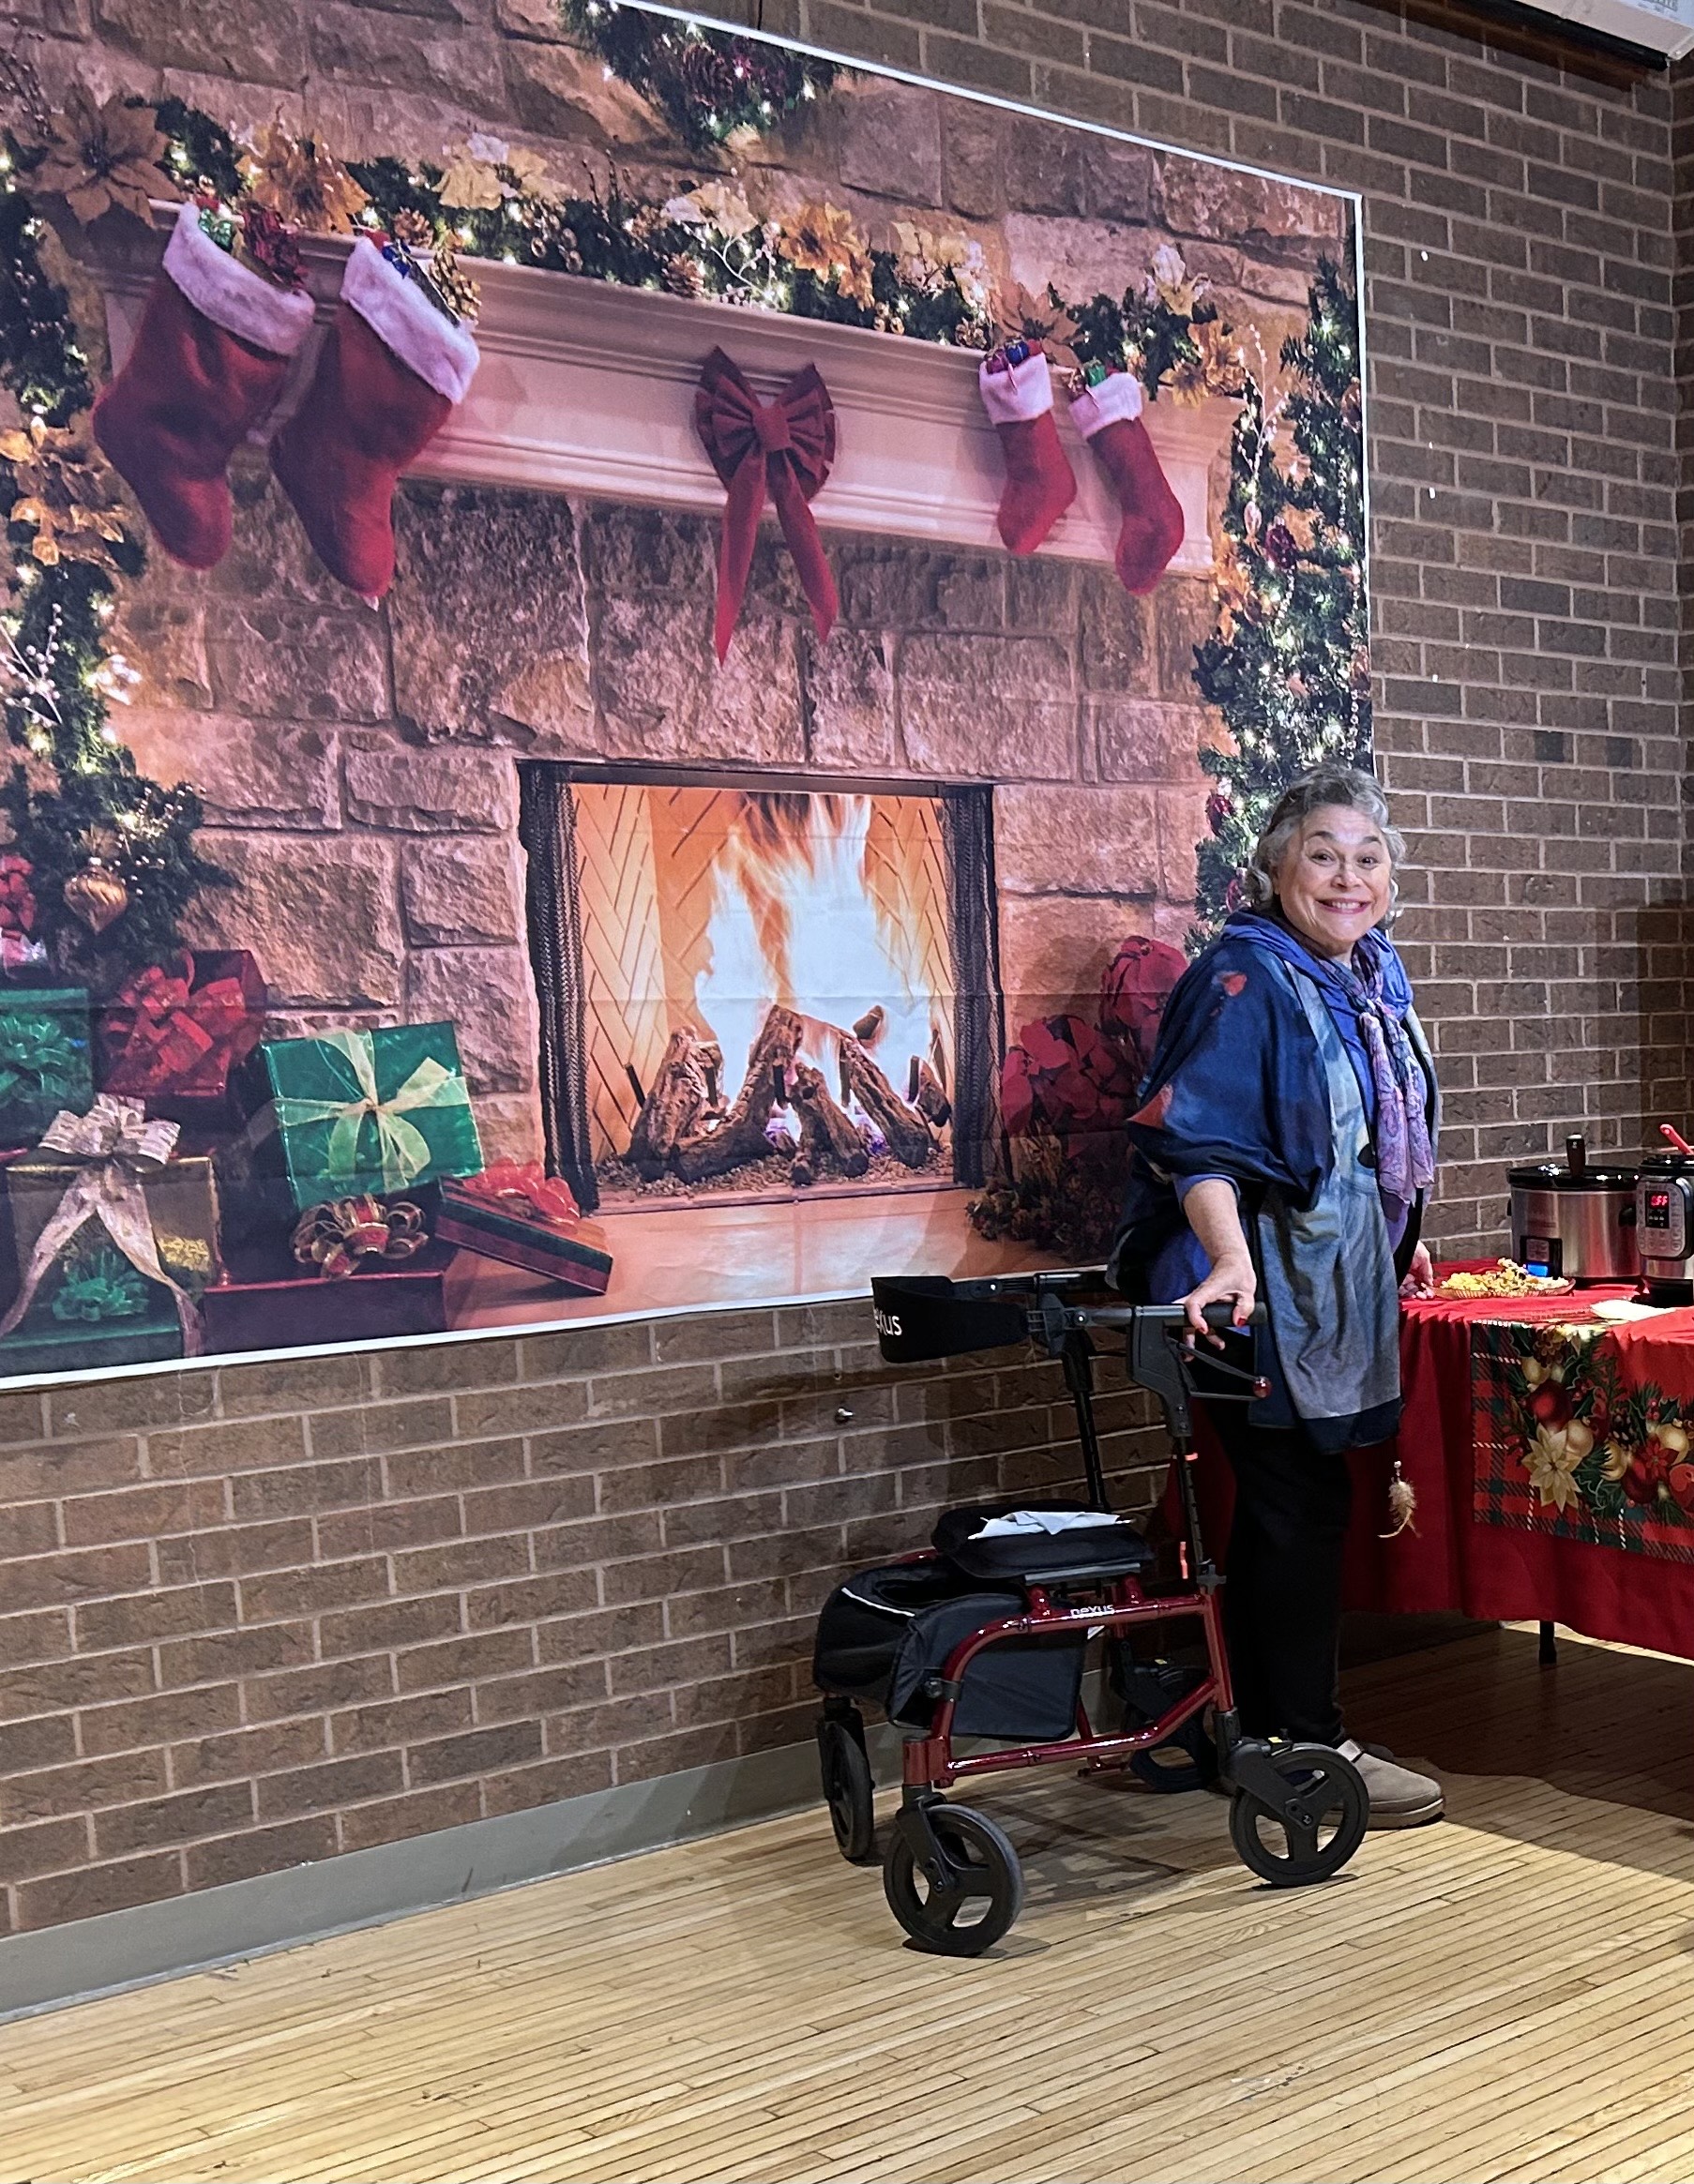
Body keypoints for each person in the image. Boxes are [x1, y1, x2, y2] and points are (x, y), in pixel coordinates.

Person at [1111, 763, 1444, 1827]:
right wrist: (1228, 1260)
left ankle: (1254, 1734)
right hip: (1248, 1295)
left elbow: (1360, 1145)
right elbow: (1195, 1139)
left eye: (1368, 858)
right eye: (1323, 855)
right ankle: (1307, 1747)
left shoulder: (1368, 977)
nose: (1349, 877)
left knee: (1286, 1506)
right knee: (1301, 1505)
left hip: (1325, 1283)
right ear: (1274, 866)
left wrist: (1394, 1241)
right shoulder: (1245, 979)